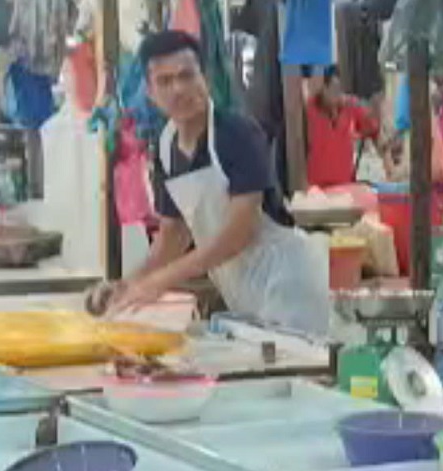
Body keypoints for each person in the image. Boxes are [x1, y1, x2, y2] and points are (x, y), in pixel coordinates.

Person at [96, 30, 330, 337]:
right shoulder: (166, 148)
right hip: (241, 287)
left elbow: (238, 233)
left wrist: (160, 281)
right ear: (150, 93)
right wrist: (128, 285)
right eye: (165, 81)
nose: (178, 89)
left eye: (186, 76)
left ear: (204, 77)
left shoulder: (238, 133)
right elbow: (173, 237)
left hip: (288, 281)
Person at [305, 66, 382, 188]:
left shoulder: (350, 105)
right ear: (323, 89)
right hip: (316, 187)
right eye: (333, 89)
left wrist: (373, 112)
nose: (337, 94)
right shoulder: (308, 109)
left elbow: (372, 127)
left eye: (339, 89)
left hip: (345, 185)